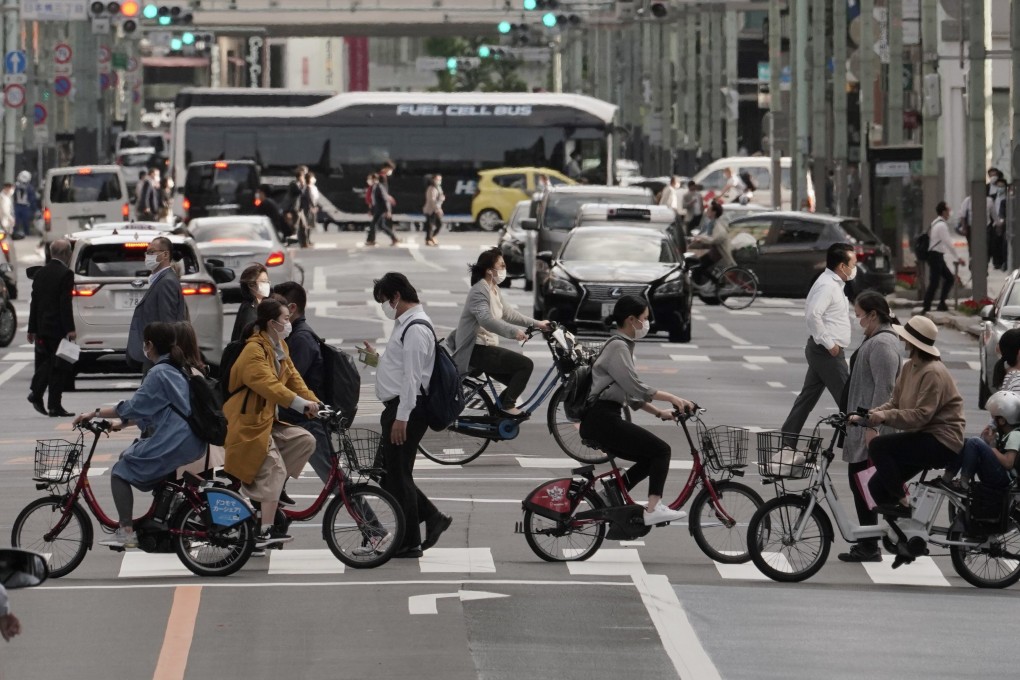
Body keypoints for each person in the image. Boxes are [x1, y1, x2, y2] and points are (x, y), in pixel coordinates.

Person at [74, 322, 206, 548]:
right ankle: (159, 523)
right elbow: (156, 408)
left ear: (150, 345)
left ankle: (126, 532)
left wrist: (93, 413)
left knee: (121, 471)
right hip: (189, 438)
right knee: (135, 460)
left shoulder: (160, 372)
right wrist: (120, 423)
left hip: (176, 439)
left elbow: (134, 405)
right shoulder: (177, 368)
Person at [579, 295, 696, 526]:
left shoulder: (622, 347)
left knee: (649, 456)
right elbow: (636, 387)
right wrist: (673, 397)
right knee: (661, 451)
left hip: (603, 418)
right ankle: (653, 509)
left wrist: (659, 413)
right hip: (602, 418)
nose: (647, 324)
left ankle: (610, 492)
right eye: (644, 319)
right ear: (631, 320)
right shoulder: (618, 347)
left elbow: (630, 395)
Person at [363, 272, 451, 558]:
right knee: (389, 472)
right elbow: (402, 366)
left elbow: (413, 378)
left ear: (397, 296)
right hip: (401, 408)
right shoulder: (407, 325)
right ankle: (431, 517)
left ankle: (410, 541)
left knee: (397, 474)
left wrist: (402, 417)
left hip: (408, 410)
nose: (384, 308)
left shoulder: (415, 328)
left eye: (384, 301)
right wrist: (377, 358)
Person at [223, 299, 320, 547]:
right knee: (275, 469)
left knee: (304, 440)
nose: (289, 323)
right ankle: (264, 531)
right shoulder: (253, 351)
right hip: (248, 422)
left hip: (265, 420)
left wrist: (316, 403)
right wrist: (300, 404)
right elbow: (269, 385)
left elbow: (293, 379)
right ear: (272, 323)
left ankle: (268, 491)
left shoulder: (279, 346)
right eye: (285, 319)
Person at [855, 315, 965, 517]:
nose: (903, 342)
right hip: (922, 437)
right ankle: (904, 538)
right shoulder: (910, 367)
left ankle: (904, 503)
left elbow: (921, 416)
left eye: (906, 339)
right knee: (877, 487)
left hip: (942, 442)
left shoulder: (933, 372)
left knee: (879, 446)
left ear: (915, 343)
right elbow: (895, 403)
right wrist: (868, 415)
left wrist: (885, 416)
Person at [836, 292, 901, 563]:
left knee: (866, 485)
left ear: (873, 314)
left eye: (860, 314)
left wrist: (872, 428)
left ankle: (871, 544)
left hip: (871, 429)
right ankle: (871, 542)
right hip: (861, 425)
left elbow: (885, 390)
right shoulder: (875, 339)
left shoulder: (883, 344)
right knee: (862, 484)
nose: (857, 319)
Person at [447, 249, 549, 415]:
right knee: (525, 365)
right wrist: (513, 332)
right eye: (501, 266)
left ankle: (497, 414)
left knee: (516, 379)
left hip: (486, 348)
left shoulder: (493, 289)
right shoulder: (479, 290)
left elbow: (509, 314)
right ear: (489, 270)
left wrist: (538, 324)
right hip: (476, 349)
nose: (504, 269)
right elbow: (485, 320)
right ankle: (506, 407)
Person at [780, 243, 855, 438]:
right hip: (827, 352)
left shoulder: (833, 284)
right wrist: (830, 344)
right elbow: (813, 315)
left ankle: (788, 438)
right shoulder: (827, 286)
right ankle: (861, 444)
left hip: (822, 350)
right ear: (842, 266)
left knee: (807, 398)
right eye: (852, 264)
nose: (854, 268)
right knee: (848, 400)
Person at [271, 282, 330, 485]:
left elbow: (291, 382)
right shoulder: (291, 337)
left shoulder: (300, 338)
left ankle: (367, 518)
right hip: (299, 419)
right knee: (273, 478)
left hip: (306, 422)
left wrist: (312, 403)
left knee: (333, 479)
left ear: (292, 308)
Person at [27, 238, 76, 417]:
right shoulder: (66, 274)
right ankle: (44, 397)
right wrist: (70, 328)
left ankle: (47, 400)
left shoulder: (40, 273)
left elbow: (35, 303)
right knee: (58, 366)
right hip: (57, 327)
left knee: (50, 363)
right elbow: (65, 303)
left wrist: (31, 329)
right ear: (66, 254)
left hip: (42, 327)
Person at [937, 390, 1018, 494]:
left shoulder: (1015, 435)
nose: (991, 422)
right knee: (966, 442)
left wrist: (991, 447)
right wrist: (985, 440)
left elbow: (1008, 463)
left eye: (994, 419)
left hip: (1005, 478)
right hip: (998, 473)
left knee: (974, 442)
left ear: (1002, 420)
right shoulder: (1004, 434)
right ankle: (947, 477)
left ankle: (964, 483)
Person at [127, 236, 188, 373]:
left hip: (159, 355)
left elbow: (168, 322)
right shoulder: (160, 280)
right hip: (154, 353)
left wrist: (163, 357)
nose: (147, 256)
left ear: (165, 255)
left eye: (152, 252)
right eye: (147, 253)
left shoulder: (166, 282)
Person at [173, 321, 226, 477]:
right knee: (201, 494)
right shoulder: (198, 372)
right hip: (207, 449)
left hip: (187, 448)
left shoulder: (179, 375)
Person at [921, 201, 965, 314]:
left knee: (948, 279)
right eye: (948, 210)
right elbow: (948, 243)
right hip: (936, 256)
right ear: (944, 211)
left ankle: (941, 303)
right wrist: (958, 257)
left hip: (936, 255)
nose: (949, 212)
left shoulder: (936, 222)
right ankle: (927, 306)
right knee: (935, 282)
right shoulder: (941, 225)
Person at [688, 201, 735, 278]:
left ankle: (713, 283)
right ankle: (710, 283)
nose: (707, 211)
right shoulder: (713, 222)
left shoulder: (717, 224)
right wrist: (698, 238)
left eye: (709, 210)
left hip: (718, 253)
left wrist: (700, 239)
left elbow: (714, 238)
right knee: (700, 263)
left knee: (699, 268)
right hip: (715, 251)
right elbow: (707, 235)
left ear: (714, 212)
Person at [231, 263, 270, 343]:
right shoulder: (250, 309)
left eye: (267, 282)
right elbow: (251, 339)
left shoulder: (256, 305)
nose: (267, 285)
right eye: (263, 282)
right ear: (251, 285)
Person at [367, 162, 399, 247]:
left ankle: (371, 240)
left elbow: (383, 193)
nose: (390, 172)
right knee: (380, 225)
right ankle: (393, 238)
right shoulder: (381, 177)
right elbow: (383, 193)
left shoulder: (382, 177)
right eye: (390, 169)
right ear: (386, 168)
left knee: (376, 224)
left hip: (380, 206)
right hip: (380, 204)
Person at [13, 171, 37, 241]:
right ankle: (15, 233)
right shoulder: (16, 186)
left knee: (26, 221)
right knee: (15, 221)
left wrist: (34, 209)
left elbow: (32, 199)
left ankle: (27, 234)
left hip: (25, 206)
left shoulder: (30, 188)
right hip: (17, 205)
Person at [423, 173, 445, 246]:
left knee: (438, 224)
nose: (439, 181)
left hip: (436, 209)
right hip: (430, 210)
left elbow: (440, 198)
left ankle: (431, 237)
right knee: (430, 225)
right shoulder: (431, 188)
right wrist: (438, 209)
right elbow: (432, 200)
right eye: (437, 179)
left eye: (440, 180)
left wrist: (442, 199)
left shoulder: (438, 188)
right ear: (433, 180)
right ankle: (429, 239)